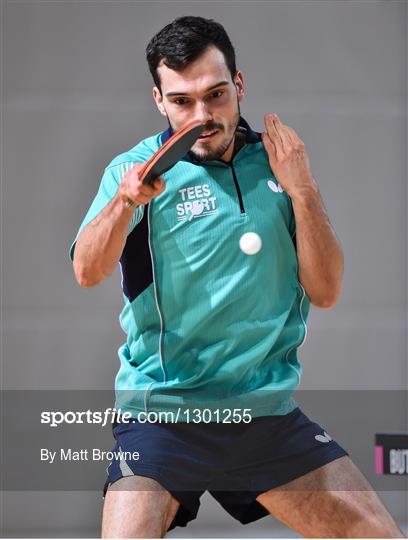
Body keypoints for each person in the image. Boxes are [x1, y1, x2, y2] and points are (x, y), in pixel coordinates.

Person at [70, 15, 405, 539]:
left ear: (239, 86)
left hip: (263, 415)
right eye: (181, 101)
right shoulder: (135, 171)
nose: (202, 115)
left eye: (217, 94)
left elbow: (327, 290)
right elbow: (87, 271)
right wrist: (123, 202)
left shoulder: (278, 163)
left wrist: (303, 190)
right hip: (165, 416)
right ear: (159, 100)